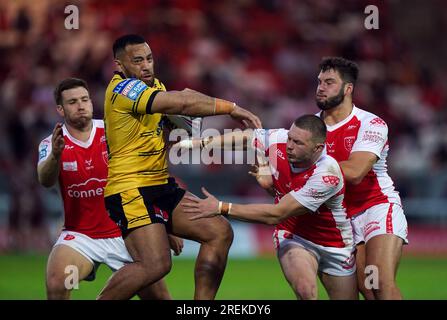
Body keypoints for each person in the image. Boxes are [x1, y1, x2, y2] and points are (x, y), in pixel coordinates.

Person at [97, 34, 262, 300]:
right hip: (131, 188)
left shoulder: (156, 87)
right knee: (156, 265)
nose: (146, 66)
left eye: (149, 59)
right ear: (120, 65)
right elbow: (183, 103)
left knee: (219, 232)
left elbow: (184, 98)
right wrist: (230, 108)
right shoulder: (123, 89)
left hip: (159, 185)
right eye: (137, 61)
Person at [178, 115, 358, 300]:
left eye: (298, 143)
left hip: (335, 243)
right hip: (294, 236)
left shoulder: (327, 174)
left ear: (318, 148)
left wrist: (221, 207)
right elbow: (248, 137)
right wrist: (201, 142)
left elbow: (276, 214)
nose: (289, 145)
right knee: (306, 290)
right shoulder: (279, 138)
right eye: (290, 138)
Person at [37, 78, 179, 300]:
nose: (81, 105)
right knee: (60, 283)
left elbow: (147, 178)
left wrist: (164, 227)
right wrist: (55, 155)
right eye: (72, 102)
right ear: (60, 109)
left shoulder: (113, 132)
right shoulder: (52, 144)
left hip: (129, 235)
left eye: (85, 99)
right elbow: (45, 180)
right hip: (81, 239)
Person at [314, 57, 408, 299]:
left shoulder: (371, 123)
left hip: (376, 205)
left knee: (380, 282)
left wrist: (307, 168)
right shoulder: (311, 128)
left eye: (329, 82)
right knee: (367, 289)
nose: (321, 87)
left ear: (348, 89)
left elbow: (355, 172)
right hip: (341, 217)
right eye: (320, 81)